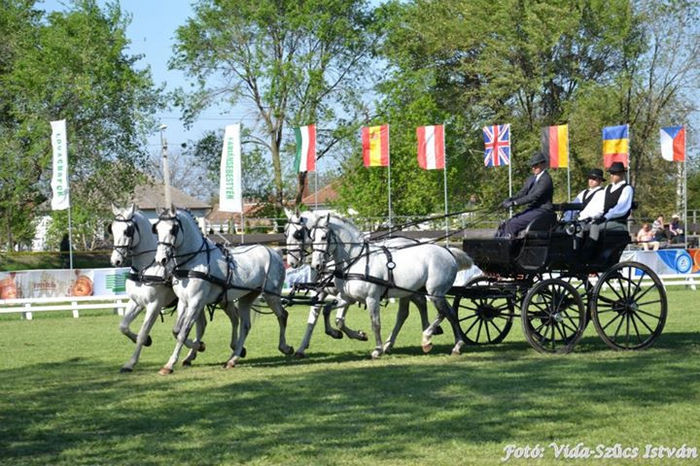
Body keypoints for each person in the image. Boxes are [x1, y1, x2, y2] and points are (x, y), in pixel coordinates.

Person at [496, 151, 554, 238]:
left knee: (512, 224)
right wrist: (510, 199)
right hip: (532, 210)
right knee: (506, 223)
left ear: (543, 164)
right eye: (532, 166)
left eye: (535, 165)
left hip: (542, 211)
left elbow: (533, 196)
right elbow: (522, 193)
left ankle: (510, 249)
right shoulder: (531, 179)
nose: (533, 168)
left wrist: (514, 203)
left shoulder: (546, 179)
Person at [577, 161, 634, 241]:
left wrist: (605, 217)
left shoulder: (627, 189)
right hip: (604, 220)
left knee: (594, 228)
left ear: (621, 174)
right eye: (611, 173)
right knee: (581, 227)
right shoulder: (608, 188)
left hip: (618, 222)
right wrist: (588, 217)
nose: (611, 176)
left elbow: (620, 208)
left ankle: (589, 251)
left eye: (614, 173)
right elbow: (600, 206)